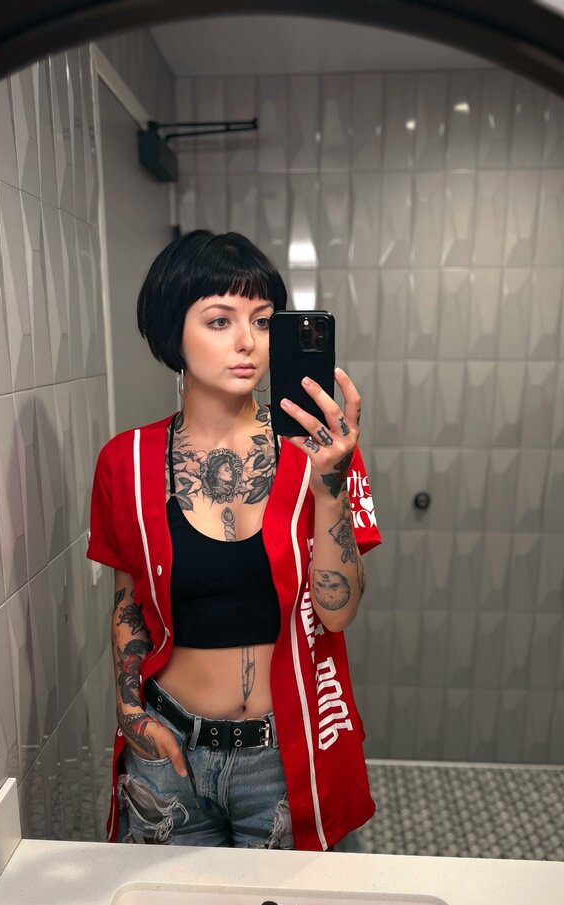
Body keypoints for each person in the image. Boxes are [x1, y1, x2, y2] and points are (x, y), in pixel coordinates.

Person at [87, 230, 382, 851]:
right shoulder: (126, 461)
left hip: (283, 755)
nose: (248, 341)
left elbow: (338, 612)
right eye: (220, 320)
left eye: (264, 321)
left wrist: (330, 488)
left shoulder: (320, 450)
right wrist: (131, 713)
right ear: (174, 333)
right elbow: (127, 604)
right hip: (169, 755)